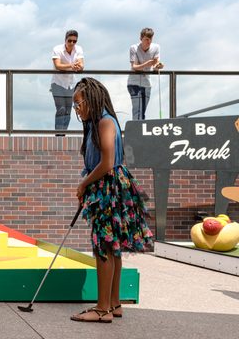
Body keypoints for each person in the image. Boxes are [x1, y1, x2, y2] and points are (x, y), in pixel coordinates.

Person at [70, 77, 154, 323]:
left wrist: (83, 184)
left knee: (104, 246)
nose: (77, 109)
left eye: (79, 103)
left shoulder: (105, 122)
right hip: (109, 186)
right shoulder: (101, 122)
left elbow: (106, 163)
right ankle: (114, 303)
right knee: (112, 245)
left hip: (108, 188)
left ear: (92, 99)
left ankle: (102, 308)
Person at [51, 29, 84, 133]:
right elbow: (58, 65)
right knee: (61, 109)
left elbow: (81, 65)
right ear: (65, 40)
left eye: (74, 41)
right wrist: (71, 65)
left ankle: (63, 134)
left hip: (71, 85)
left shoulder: (78, 49)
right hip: (58, 83)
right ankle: (58, 135)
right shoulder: (57, 49)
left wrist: (78, 66)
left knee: (68, 112)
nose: (72, 43)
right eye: (70, 41)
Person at [128, 27, 163, 120]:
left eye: (150, 39)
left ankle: (140, 132)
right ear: (141, 39)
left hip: (147, 83)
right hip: (133, 83)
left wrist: (158, 66)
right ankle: (136, 132)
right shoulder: (134, 48)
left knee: (142, 112)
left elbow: (155, 65)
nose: (149, 41)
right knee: (137, 111)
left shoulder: (156, 47)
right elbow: (134, 67)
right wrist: (147, 64)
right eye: (146, 39)